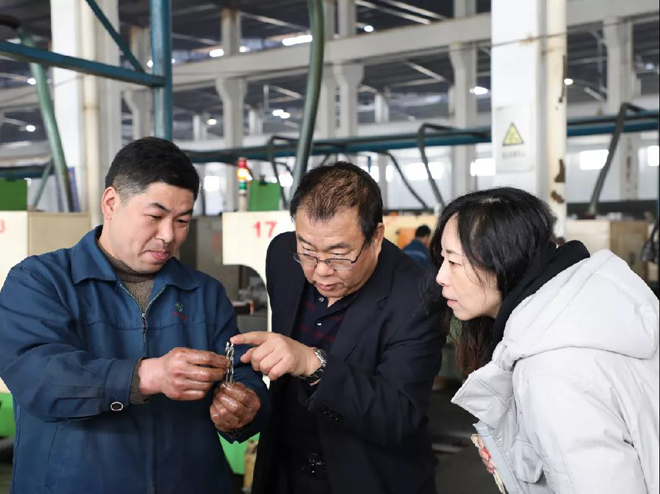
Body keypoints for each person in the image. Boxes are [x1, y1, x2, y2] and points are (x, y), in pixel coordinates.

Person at [0, 137, 270, 493]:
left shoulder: (204, 293)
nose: (168, 236)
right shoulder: (40, 281)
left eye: (182, 220)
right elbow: (37, 377)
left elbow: (242, 374)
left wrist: (245, 406)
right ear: (111, 203)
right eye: (155, 217)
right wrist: (147, 375)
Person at [230, 162, 443, 494]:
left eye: (339, 255)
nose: (320, 271)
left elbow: (398, 416)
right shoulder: (282, 258)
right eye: (308, 251)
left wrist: (313, 363)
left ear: (376, 237)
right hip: (284, 472)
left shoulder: (417, 295)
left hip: (368, 479)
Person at [430, 186, 659, 494]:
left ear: (503, 261)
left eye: (454, 262)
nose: (441, 277)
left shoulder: (550, 371)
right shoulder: (592, 311)